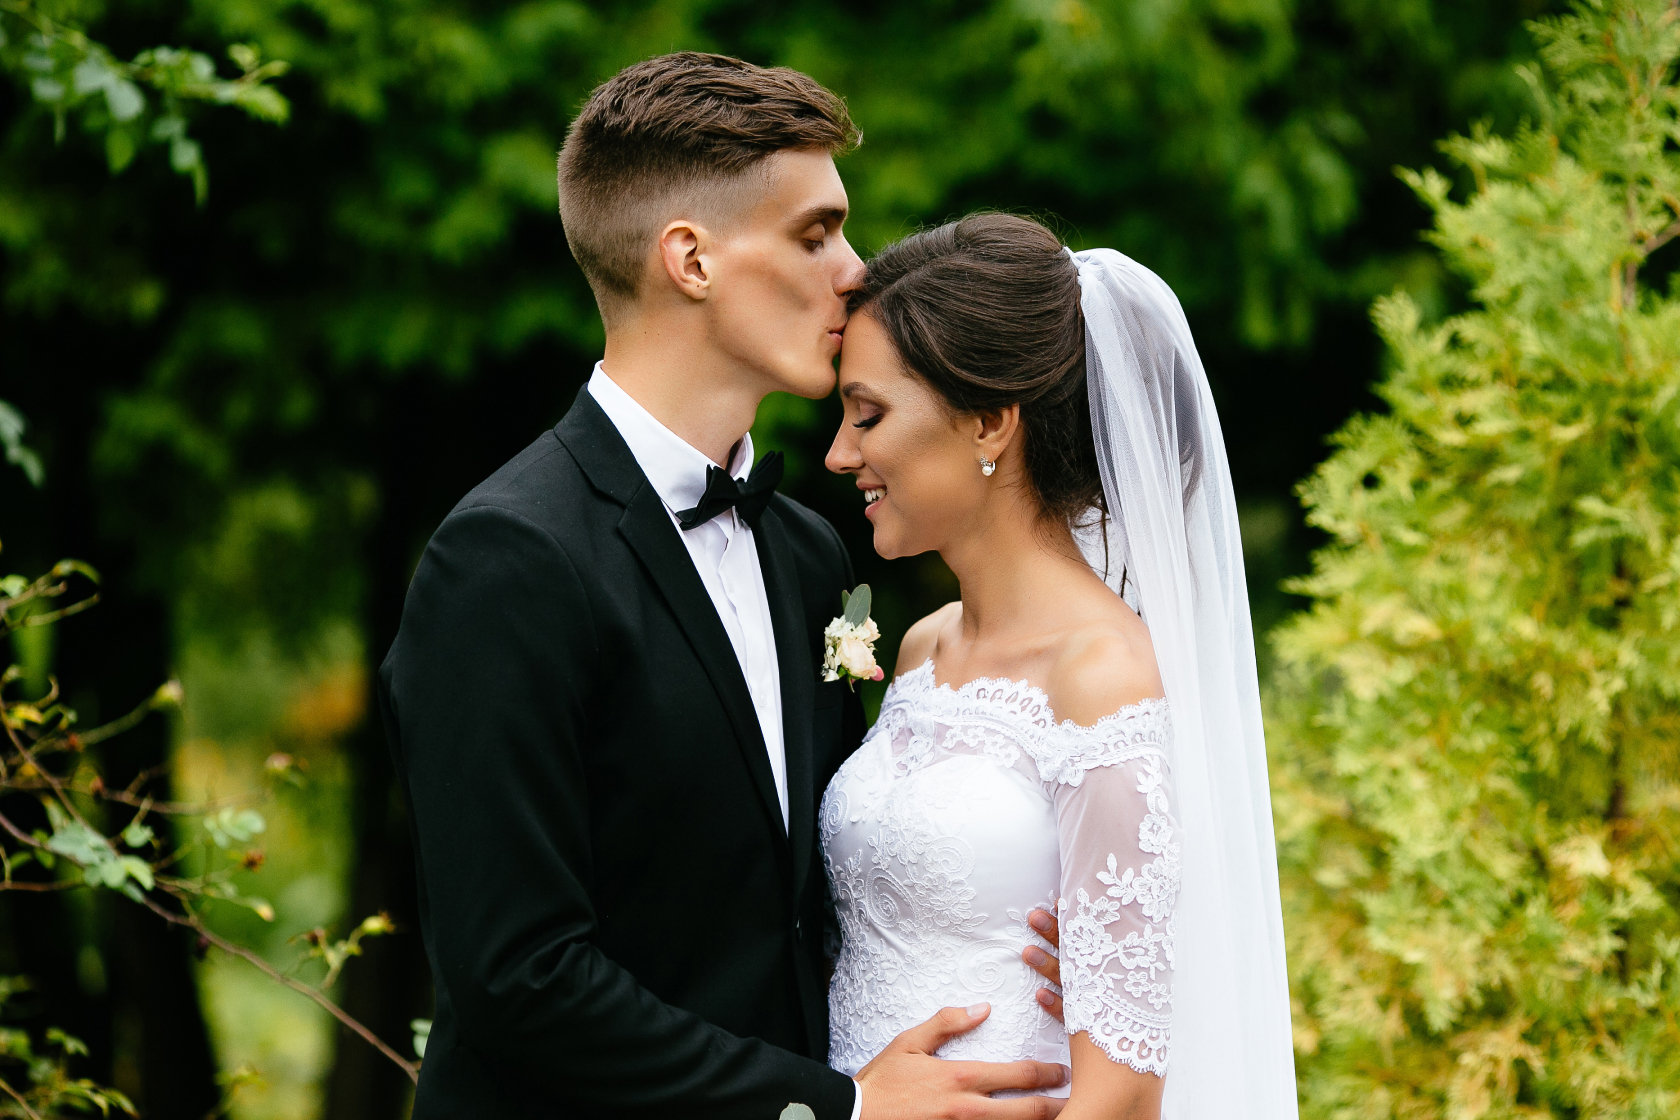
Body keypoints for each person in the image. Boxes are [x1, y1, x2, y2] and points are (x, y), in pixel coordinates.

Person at [379, 55, 1069, 1118]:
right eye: (814, 233)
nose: (856, 270)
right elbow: (521, 975)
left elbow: (823, 891)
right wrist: (829, 1109)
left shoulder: (809, 557)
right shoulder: (506, 561)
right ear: (690, 259)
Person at [824, 214, 1298, 1119]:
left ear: (990, 423)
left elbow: (1121, 1096)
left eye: (869, 415)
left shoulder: (1101, 675)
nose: (839, 454)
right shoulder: (922, 647)